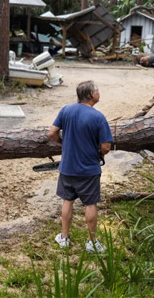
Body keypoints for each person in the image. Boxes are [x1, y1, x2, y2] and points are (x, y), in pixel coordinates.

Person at [47, 80, 113, 252]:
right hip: (88, 170)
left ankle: (64, 237)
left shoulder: (66, 110)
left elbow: (52, 132)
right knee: (90, 204)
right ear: (92, 95)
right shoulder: (98, 117)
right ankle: (91, 243)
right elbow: (106, 146)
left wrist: (63, 143)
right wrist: (99, 154)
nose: (99, 93)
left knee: (67, 200)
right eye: (98, 91)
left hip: (67, 167)